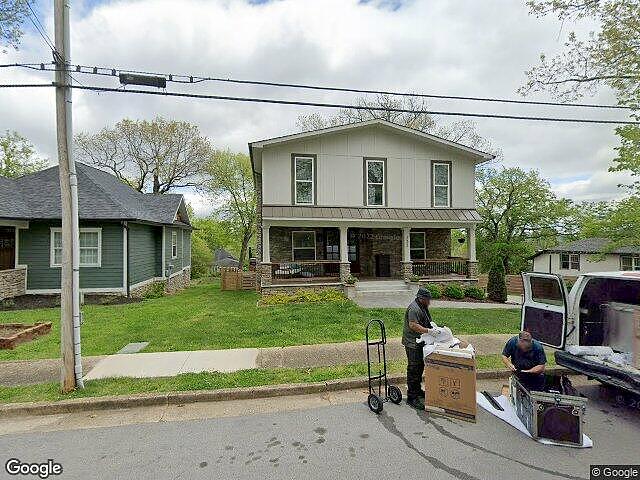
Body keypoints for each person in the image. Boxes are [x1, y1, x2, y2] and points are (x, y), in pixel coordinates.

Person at [402, 287, 442, 410]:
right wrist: (429, 331)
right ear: (421, 298)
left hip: (420, 341)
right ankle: (412, 397)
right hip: (412, 343)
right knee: (414, 369)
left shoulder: (422, 306)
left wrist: (435, 328)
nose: (429, 302)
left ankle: (417, 390)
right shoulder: (414, 308)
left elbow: (427, 321)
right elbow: (413, 325)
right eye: (428, 299)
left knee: (420, 367)